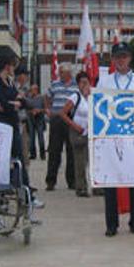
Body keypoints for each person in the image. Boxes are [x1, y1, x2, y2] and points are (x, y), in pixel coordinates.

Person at [97, 42, 134, 237]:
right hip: (111, 136)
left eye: (124, 56)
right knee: (110, 180)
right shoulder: (104, 81)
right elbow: (98, 107)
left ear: (130, 58)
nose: (121, 60)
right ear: (112, 59)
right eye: (118, 56)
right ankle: (111, 224)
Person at [0, 52, 34, 194]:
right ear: (7, 67)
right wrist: (13, 103)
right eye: (12, 66)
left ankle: (24, 188)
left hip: (14, 124)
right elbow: (1, 104)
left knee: (19, 157)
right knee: (5, 158)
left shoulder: (10, 82)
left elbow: (23, 102)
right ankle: (8, 187)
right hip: (3, 125)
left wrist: (15, 103)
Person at [44, 63, 79, 191]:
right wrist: (47, 109)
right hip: (57, 119)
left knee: (71, 152)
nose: (59, 74)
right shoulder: (55, 84)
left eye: (61, 72)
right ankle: (51, 181)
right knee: (54, 151)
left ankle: (72, 181)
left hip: (70, 119)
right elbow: (47, 97)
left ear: (68, 73)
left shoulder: (76, 85)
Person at [59, 72, 91, 197]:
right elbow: (63, 113)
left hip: (90, 132)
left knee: (89, 160)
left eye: (86, 82)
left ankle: (94, 186)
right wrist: (75, 126)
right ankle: (81, 187)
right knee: (80, 161)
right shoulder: (75, 97)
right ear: (78, 84)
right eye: (82, 82)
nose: (85, 84)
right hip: (78, 132)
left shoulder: (91, 96)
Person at [26, 84, 47, 160]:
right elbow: (26, 108)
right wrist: (31, 111)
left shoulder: (41, 98)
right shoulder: (28, 98)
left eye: (33, 90)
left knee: (40, 136)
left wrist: (39, 111)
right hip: (31, 119)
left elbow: (45, 109)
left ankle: (42, 154)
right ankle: (33, 154)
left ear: (37, 90)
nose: (32, 92)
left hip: (39, 118)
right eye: (31, 90)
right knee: (31, 137)